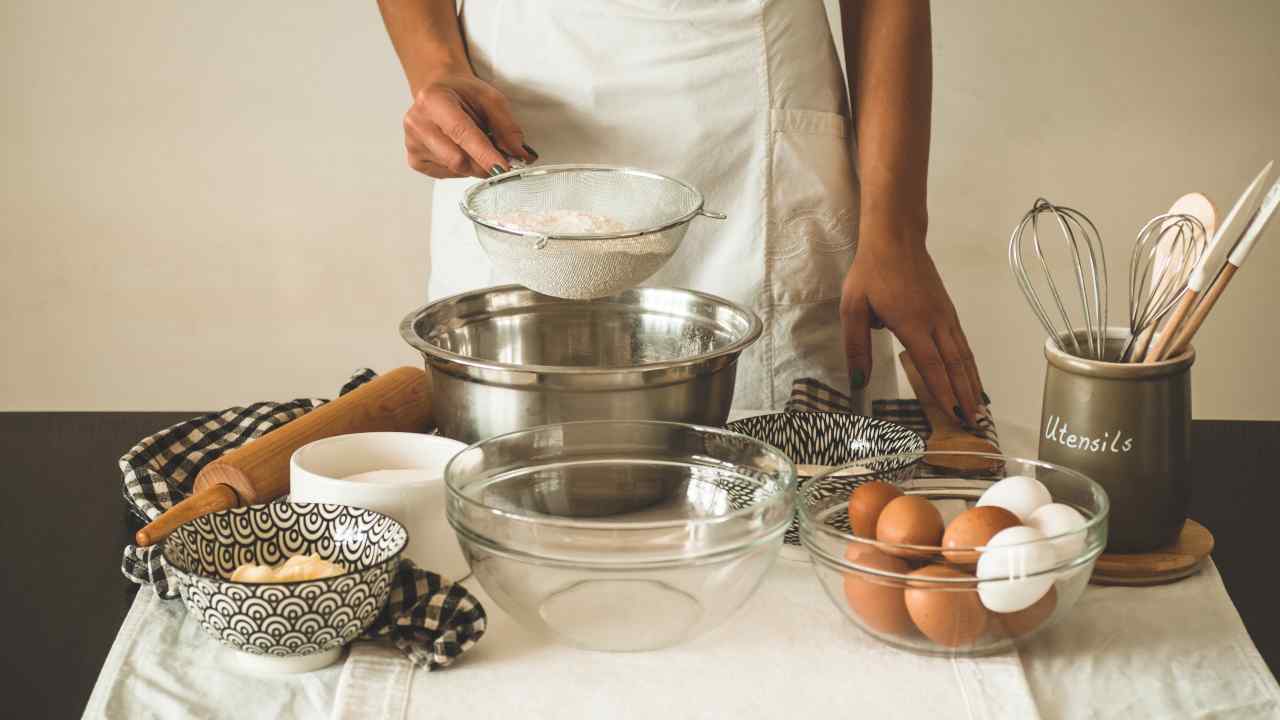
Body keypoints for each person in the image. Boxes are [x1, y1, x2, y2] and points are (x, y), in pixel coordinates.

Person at [377, 0, 987, 421]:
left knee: (788, 523)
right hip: (515, 133)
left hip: (748, 141)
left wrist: (898, 229)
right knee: (504, 501)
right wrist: (437, 69)